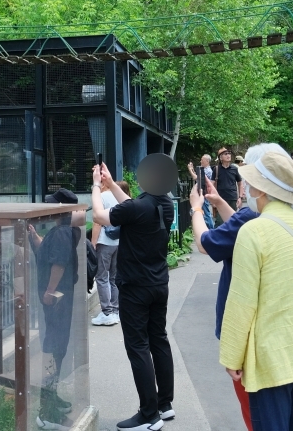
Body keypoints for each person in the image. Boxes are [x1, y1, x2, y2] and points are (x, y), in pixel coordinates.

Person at [219, 150, 293, 431]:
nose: (246, 188)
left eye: (250, 183)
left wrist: (232, 355)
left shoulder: (254, 231)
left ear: (261, 189)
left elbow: (242, 301)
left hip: (272, 358)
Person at [187, 142, 287, 431]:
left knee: (254, 406)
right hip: (277, 325)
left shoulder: (250, 217)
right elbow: (241, 224)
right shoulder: (279, 215)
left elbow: (206, 245)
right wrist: (218, 202)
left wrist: (196, 209)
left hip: (248, 334)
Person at [92, 163, 175, 431]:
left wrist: (96, 186)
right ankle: (164, 405)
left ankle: (149, 415)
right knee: (158, 340)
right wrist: (112, 184)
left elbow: (99, 216)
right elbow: (130, 205)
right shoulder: (165, 204)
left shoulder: (138, 207)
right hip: (159, 283)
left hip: (135, 287)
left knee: (137, 345)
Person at [30, 188, 85, 430]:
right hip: (61, 298)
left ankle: (46, 412)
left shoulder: (62, 233)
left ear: (62, 208)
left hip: (57, 299)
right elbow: (49, 252)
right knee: (56, 344)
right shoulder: (64, 231)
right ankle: (52, 397)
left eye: (54, 205)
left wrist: (50, 291)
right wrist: (34, 238)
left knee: (53, 345)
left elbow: (58, 264)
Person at [91, 181, 131, 327]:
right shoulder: (119, 196)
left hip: (104, 241)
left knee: (101, 277)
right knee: (114, 277)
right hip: (118, 242)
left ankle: (106, 312)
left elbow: (97, 221)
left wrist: (93, 243)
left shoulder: (102, 196)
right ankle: (115, 310)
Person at [212, 147, 244, 217]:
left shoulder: (235, 169)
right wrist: (213, 200)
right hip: (220, 199)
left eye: (229, 154)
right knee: (220, 222)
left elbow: (240, 183)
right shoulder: (216, 169)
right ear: (220, 157)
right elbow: (212, 185)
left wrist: (240, 197)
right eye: (226, 154)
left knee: (232, 220)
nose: (228, 155)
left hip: (232, 198)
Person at [187, 155, 215, 229]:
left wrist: (190, 169)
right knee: (204, 211)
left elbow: (196, 178)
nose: (200, 161)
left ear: (207, 161)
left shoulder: (207, 170)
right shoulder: (205, 170)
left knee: (206, 212)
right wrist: (192, 169)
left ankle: (211, 229)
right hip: (203, 193)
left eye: (202, 160)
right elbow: (198, 177)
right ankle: (209, 228)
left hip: (204, 193)